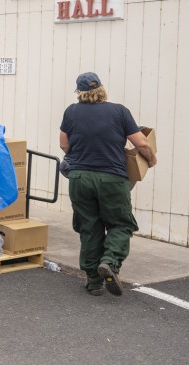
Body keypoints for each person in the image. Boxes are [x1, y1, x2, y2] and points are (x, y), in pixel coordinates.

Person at [59, 72, 156, 297]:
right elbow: (141, 143)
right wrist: (150, 159)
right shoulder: (119, 111)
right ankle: (110, 262)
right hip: (112, 178)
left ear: (79, 92)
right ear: (101, 89)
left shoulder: (71, 112)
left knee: (89, 228)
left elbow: (64, 145)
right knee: (121, 224)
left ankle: (93, 282)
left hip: (80, 178)